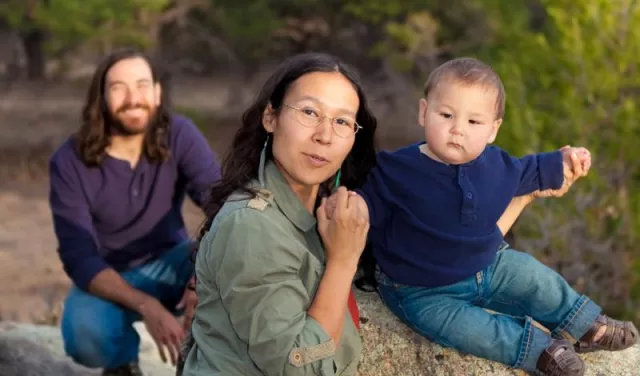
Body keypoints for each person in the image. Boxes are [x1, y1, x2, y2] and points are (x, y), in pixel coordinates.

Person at [330, 57, 638, 375]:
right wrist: (352, 207)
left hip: (488, 265)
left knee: (533, 277)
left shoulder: (498, 165)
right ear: (424, 112)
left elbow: (533, 169)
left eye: (474, 122)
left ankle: (584, 325)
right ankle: (542, 351)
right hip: (420, 290)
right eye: (446, 115)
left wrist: (566, 159)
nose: (457, 130)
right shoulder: (396, 169)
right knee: (473, 330)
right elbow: (364, 208)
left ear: (493, 129)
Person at [48, 48, 220, 376]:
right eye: (118, 88)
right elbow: (78, 254)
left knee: (233, 270)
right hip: (110, 272)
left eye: (142, 85)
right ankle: (122, 364)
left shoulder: (179, 134)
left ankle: (206, 363)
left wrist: (204, 275)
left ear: (157, 93)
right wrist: (147, 306)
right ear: (101, 97)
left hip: (175, 260)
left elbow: (222, 203)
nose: (132, 98)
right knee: (85, 335)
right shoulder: (68, 161)